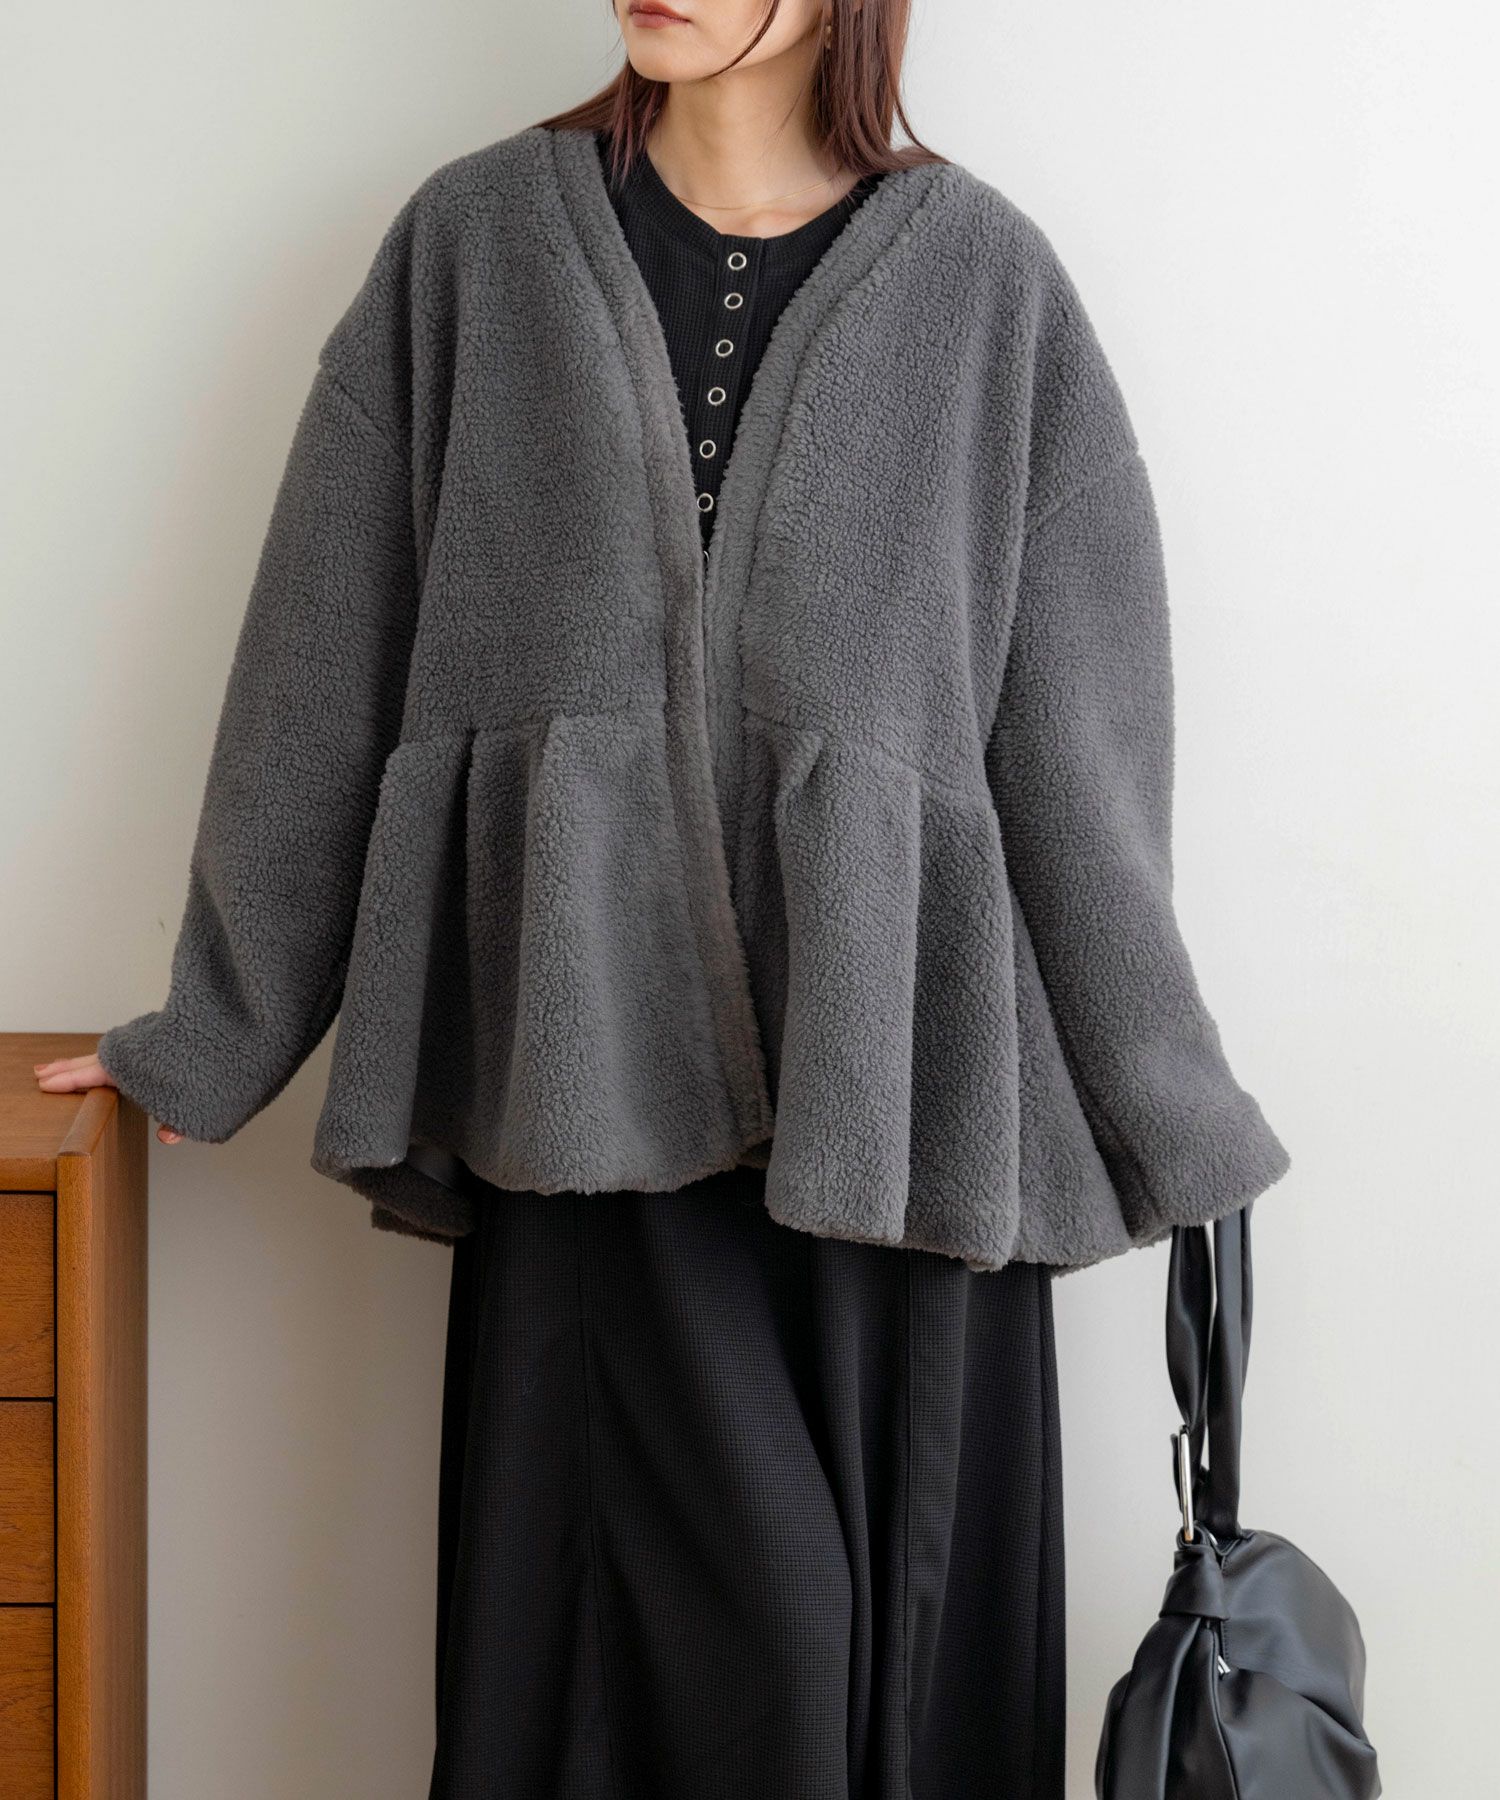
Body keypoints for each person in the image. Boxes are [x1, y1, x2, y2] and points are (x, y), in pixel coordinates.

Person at [36, 1, 1291, 1793]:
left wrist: (1173, 1112)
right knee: (647, 1692)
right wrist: (215, 1028)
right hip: (580, 1107)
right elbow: (324, 654)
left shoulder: (990, 288)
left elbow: (1082, 753)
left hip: (906, 1124)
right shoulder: (473, 247)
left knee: (890, 1700)